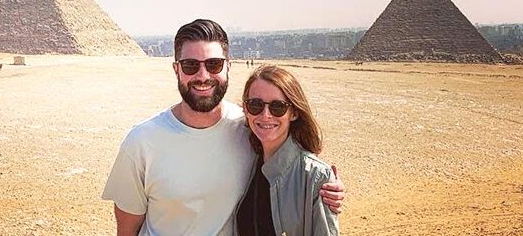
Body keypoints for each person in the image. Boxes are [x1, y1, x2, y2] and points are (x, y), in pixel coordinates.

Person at [102, 19, 344, 235]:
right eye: (190, 65)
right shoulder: (141, 142)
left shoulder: (249, 127)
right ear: (176, 69)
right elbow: (127, 229)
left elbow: (289, 166)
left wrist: (323, 187)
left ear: (228, 67)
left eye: (214, 64)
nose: (203, 75)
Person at [237, 65, 339, 235]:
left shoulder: (314, 176)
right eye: (255, 105)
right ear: (246, 109)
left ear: (294, 113)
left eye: (278, 107)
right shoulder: (244, 158)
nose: (265, 115)